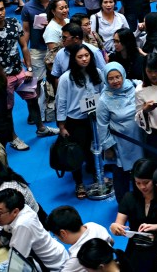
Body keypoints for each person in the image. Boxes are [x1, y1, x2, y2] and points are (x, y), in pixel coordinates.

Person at [0, 0, 52, 147]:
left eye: (2, 9)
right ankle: (13, 138)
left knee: (33, 99)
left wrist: (29, 68)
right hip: (1, 79)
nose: (0, 13)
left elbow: (23, 46)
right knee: (7, 110)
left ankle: (41, 128)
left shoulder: (13, 23)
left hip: (21, 73)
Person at [56, 44, 104, 199]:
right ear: (74, 59)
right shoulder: (66, 78)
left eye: (87, 56)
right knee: (76, 153)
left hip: (94, 118)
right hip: (75, 120)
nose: (84, 59)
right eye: (80, 57)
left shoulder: (97, 73)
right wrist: (61, 125)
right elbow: (61, 102)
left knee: (95, 148)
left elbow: (103, 93)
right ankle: (79, 183)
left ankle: (97, 175)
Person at [0, 188, 69, 268]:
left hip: (55, 266)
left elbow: (16, 261)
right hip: (43, 258)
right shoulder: (15, 211)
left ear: (15, 211)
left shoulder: (22, 224)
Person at [109, 158, 157, 272]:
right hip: (136, 247)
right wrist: (115, 227)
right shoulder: (129, 198)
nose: (142, 187)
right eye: (138, 183)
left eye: (146, 182)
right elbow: (118, 223)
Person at [97, 62, 144, 200]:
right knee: (121, 174)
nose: (115, 81)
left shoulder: (135, 86)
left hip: (140, 139)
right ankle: (123, 204)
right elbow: (101, 126)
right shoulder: (104, 99)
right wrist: (108, 147)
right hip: (121, 144)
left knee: (140, 171)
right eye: (111, 78)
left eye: (117, 77)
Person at [46, 206, 113, 272]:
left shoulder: (77, 257)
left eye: (55, 235)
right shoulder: (93, 225)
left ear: (63, 233)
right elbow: (111, 241)